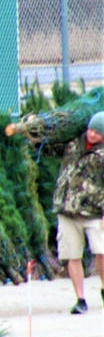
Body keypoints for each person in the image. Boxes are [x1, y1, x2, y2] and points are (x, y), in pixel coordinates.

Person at [51, 111, 104, 315]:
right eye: (90, 129)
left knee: (101, 252)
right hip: (67, 209)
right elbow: (47, 148)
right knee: (72, 255)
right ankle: (80, 299)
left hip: (94, 212)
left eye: (97, 133)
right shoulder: (72, 143)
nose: (92, 134)